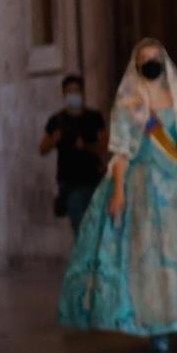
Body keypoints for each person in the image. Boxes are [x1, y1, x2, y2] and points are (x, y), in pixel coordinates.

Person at [58, 39, 177, 353]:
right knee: (149, 256)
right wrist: (118, 191)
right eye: (145, 59)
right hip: (143, 184)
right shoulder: (128, 101)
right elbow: (120, 151)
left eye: (156, 58)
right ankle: (156, 326)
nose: (151, 63)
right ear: (136, 64)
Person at [41, 73, 107, 235]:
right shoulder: (57, 120)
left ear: (83, 92)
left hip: (94, 181)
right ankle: (85, 259)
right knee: (80, 229)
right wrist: (53, 140)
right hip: (70, 184)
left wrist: (86, 146)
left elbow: (105, 146)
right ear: (64, 94)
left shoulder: (94, 118)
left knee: (97, 228)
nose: (73, 94)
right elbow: (42, 148)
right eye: (70, 91)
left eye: (77, 90)